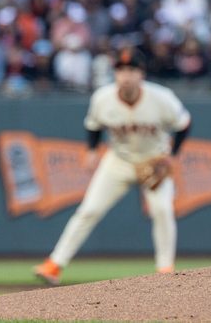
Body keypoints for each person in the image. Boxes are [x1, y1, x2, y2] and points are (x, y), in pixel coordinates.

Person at [33, 49, 192, 285]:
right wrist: (91, 151)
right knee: (89, 210)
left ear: (141, 74)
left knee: (162, 211)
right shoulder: (102, 98)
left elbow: (184, 124)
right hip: (119, 161)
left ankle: (165, 269)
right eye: (120, 70)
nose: (125, 75)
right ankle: (54, 264)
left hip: (153, 160)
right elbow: (93, 126)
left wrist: (173, 156)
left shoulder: (161, 97)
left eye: (131, 70)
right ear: (115, 74)